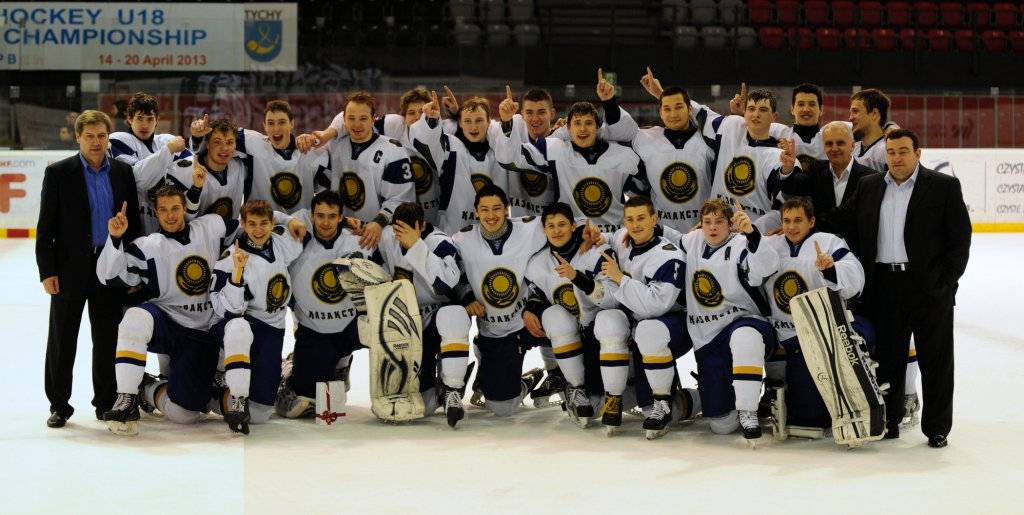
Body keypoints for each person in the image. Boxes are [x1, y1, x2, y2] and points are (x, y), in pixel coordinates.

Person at [831, 129, 971, 448]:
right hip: (885, 286)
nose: (896, 158)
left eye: (903, 151)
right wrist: (794, 224)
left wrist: (944, 282)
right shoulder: (870, 186)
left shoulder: (943, 186)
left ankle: (937, 428)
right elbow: (842, 217)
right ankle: (890, 421)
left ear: (917, 154)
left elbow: (960, 240)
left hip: (928, 288)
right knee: (889, 358)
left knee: (935, 361)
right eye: (891, 152)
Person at [97, 184, 238, 436]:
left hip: (201, 334)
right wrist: (115, 238)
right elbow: (108, 276)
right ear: (156, 212)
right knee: (134, 316)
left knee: (185, 415)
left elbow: (252, 227)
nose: (170, 215)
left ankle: (150, 388)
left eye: (175, 208)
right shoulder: (147, 247)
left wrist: (286, 222)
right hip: (168, 326)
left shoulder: (211, 227)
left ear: (185, 208)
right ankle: (127, 397)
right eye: (163, 210)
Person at [36, 110, 142, 428]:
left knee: (108, 338)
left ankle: (105, 402)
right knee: (63, 339)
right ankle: (59, 405)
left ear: (108, 137)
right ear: (78, 138)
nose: (96, 142)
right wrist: (47, 271)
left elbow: (134, 227)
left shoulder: (123, 172)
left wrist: (132, 270)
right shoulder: (59, 173)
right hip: (68, 270)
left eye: (101, 136)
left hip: (110, 267)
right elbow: (45, 228)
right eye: (90, 136)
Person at [593, 195, 696, 438]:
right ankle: (614, 396)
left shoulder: (669, 255)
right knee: (608, 320)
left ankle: (664, 403)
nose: (635, 225)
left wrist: (620, 278)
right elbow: (612, 237)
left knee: (649, 330)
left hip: (673, 325)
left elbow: (654, 307)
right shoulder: (624, 238)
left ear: (654, 220)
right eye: (630, 219)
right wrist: (598, 237)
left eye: (641, 218)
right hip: (640, 323)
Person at [763, 198, 869, 436]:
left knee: (812, 416)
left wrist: (831, 269)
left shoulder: (829, 242)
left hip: (819, 331)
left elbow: (855, 277)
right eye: (787, 221)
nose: (791, 227)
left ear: (811, 221)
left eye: (798, 220)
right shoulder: (770, 244)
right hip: (784, 332)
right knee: (807, 414)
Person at [678, 198, 780, 442]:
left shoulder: (741, 243)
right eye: (707, 222)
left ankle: (748, 410)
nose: (713, 227)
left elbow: (766, 268)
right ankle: (698, 398)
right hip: (707, 337)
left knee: (745, 338)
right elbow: (658, 237)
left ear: (731, 224)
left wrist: (752, 232)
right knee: (722, 426)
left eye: (719, 222)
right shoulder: (692, 240)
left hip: (746, 321)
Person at [497, 71, 641, 233]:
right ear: (569, 128)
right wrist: (506, 122)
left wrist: (609, 102)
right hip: (569, 235)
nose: (583, 128)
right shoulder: (554, 149)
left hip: (613, 238)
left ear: (597, 126)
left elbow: (644, 194)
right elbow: (510, 159)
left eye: (588, 123)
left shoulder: (623, 155)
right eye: (577, 123)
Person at [450, 185, 550, 417]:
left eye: (497, 208)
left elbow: (564, 225)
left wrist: (592, 235)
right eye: (484, 210)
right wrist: (466, 297)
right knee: (503, 407)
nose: (491, 215)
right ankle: (523, 381)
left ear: (507, 209)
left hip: (530, 318)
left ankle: (565, 377)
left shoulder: (529, 229)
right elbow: (452, 274)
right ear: (476, 212)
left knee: (564, 321)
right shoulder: (462, 240)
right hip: (497, 332)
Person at [209, 200, 304, 434]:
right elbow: (229, 310)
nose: (258, 230)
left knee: (260, 415)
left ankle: (215, 397)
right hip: (236, 325)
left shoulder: (283, 242)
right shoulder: (230, 258)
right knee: (240, 327)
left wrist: (289, 219)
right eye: (252, 224)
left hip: (272, 329)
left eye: (264, 223)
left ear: (272, 223)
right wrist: (237, 273)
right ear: (243, 224)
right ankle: (232, 397)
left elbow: (306, 222)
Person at [523, 202, 619, 427]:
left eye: (562, 225)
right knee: (554, 315)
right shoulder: (537, 263)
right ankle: (575, 387)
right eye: (551, 226)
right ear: (544, 230)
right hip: (569, 335)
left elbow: (612, 298)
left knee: (597, 406)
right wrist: (529, 309)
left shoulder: (596, 252)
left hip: (600, 336)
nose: (557, 231)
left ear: (573, 226)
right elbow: (537, 294)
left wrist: (577, 277)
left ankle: (622, 393)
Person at [275, 190, 369, 420]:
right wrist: (289, 221)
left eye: (332, 216)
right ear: (312, 216)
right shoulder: (297, 238)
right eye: (320, 216)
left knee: (391, 331)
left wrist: (370, 224)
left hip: (352, 328)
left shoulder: (357, 239)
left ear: (341, 217)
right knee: (306, 397)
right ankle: (290, 368)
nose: (325, 222)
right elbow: (265, 218)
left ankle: (343, 366)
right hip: (315, 332)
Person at [375, 202, 466, 427]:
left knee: (455, 315)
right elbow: (376, 267)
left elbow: (446, 283)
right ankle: (437, 385)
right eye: (398, 230)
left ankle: (453, 388)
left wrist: (416, 246)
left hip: (437, 318)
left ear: (422, 226)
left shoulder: (440, 242)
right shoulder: (387, 237)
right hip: (408, 324)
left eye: (408, 230)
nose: (401, 236)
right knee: (424, 407)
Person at [606, 76, 715, 232]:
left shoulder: (707, 140)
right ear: (660, 113)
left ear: (690, 109)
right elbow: (617, 129)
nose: (673, 114)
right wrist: (609, 101)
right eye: (667, 109)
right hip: (662, 234)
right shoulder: (644, 138)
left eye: (679, 107)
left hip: (705, 232)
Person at [325, 91, 415, 249]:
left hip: (379, 236)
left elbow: (400, 198)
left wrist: (379, 223)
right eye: (351, 118)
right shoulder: (333, 147)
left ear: (373, 119)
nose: (357, 125)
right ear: (343, 120)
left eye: (363, 118)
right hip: (340, 235)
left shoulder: (393, 150)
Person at [410, 91, 508, 235]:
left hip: (493, 231)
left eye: (479, 120)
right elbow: (427, 141)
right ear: (460, 122)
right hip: (453, 232)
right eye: (467, 121)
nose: (473, 127)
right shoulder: (451, 147)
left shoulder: (501, 153)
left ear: (489, 121)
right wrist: (432, 120)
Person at [109, 91, 191, 235]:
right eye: (139, 118)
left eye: (150, 119)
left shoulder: (166, 140)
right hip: (133, 225)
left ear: (157, 120)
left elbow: (194, 169)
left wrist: (197, 140)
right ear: (129, 118)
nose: (145, 125)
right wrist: (168, 151)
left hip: (168, 222)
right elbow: (136, 178)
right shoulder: (118, 140)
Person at [231, 100, 330, 214]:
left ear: (292, 123)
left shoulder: (311, 153)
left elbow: (332, 194)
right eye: (270, 123)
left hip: (300, 224)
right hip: (260, 224)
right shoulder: (253, 144)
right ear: (264, 126)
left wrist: (323, 137)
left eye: (282, 122)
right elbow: (221, 135)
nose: (276, 128)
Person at [849, 88, 891, 172]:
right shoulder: (852, 148)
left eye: (855, 111)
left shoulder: (888, 150)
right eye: (851, 112)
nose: (850, 118)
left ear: (874, 113)